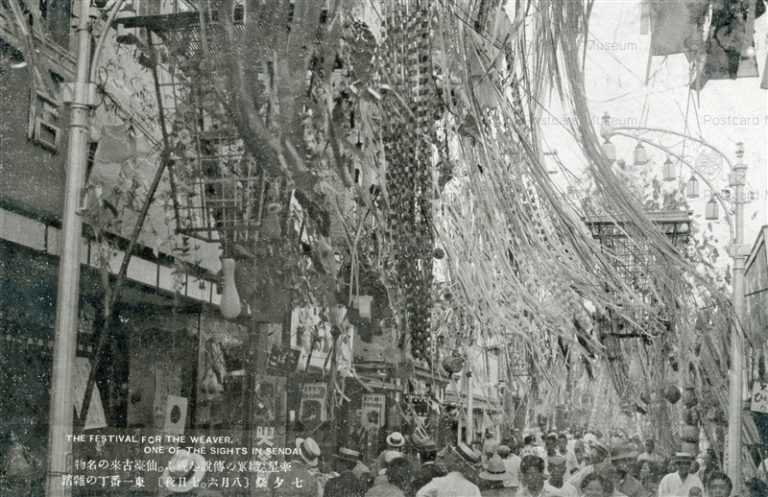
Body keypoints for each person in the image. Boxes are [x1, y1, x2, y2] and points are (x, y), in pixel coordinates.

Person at [415, 443, 482, 497]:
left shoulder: (438, 482)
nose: (446, 458)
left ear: (456, 461)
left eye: (451, 455)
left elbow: (420, 494)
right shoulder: (473, 489)